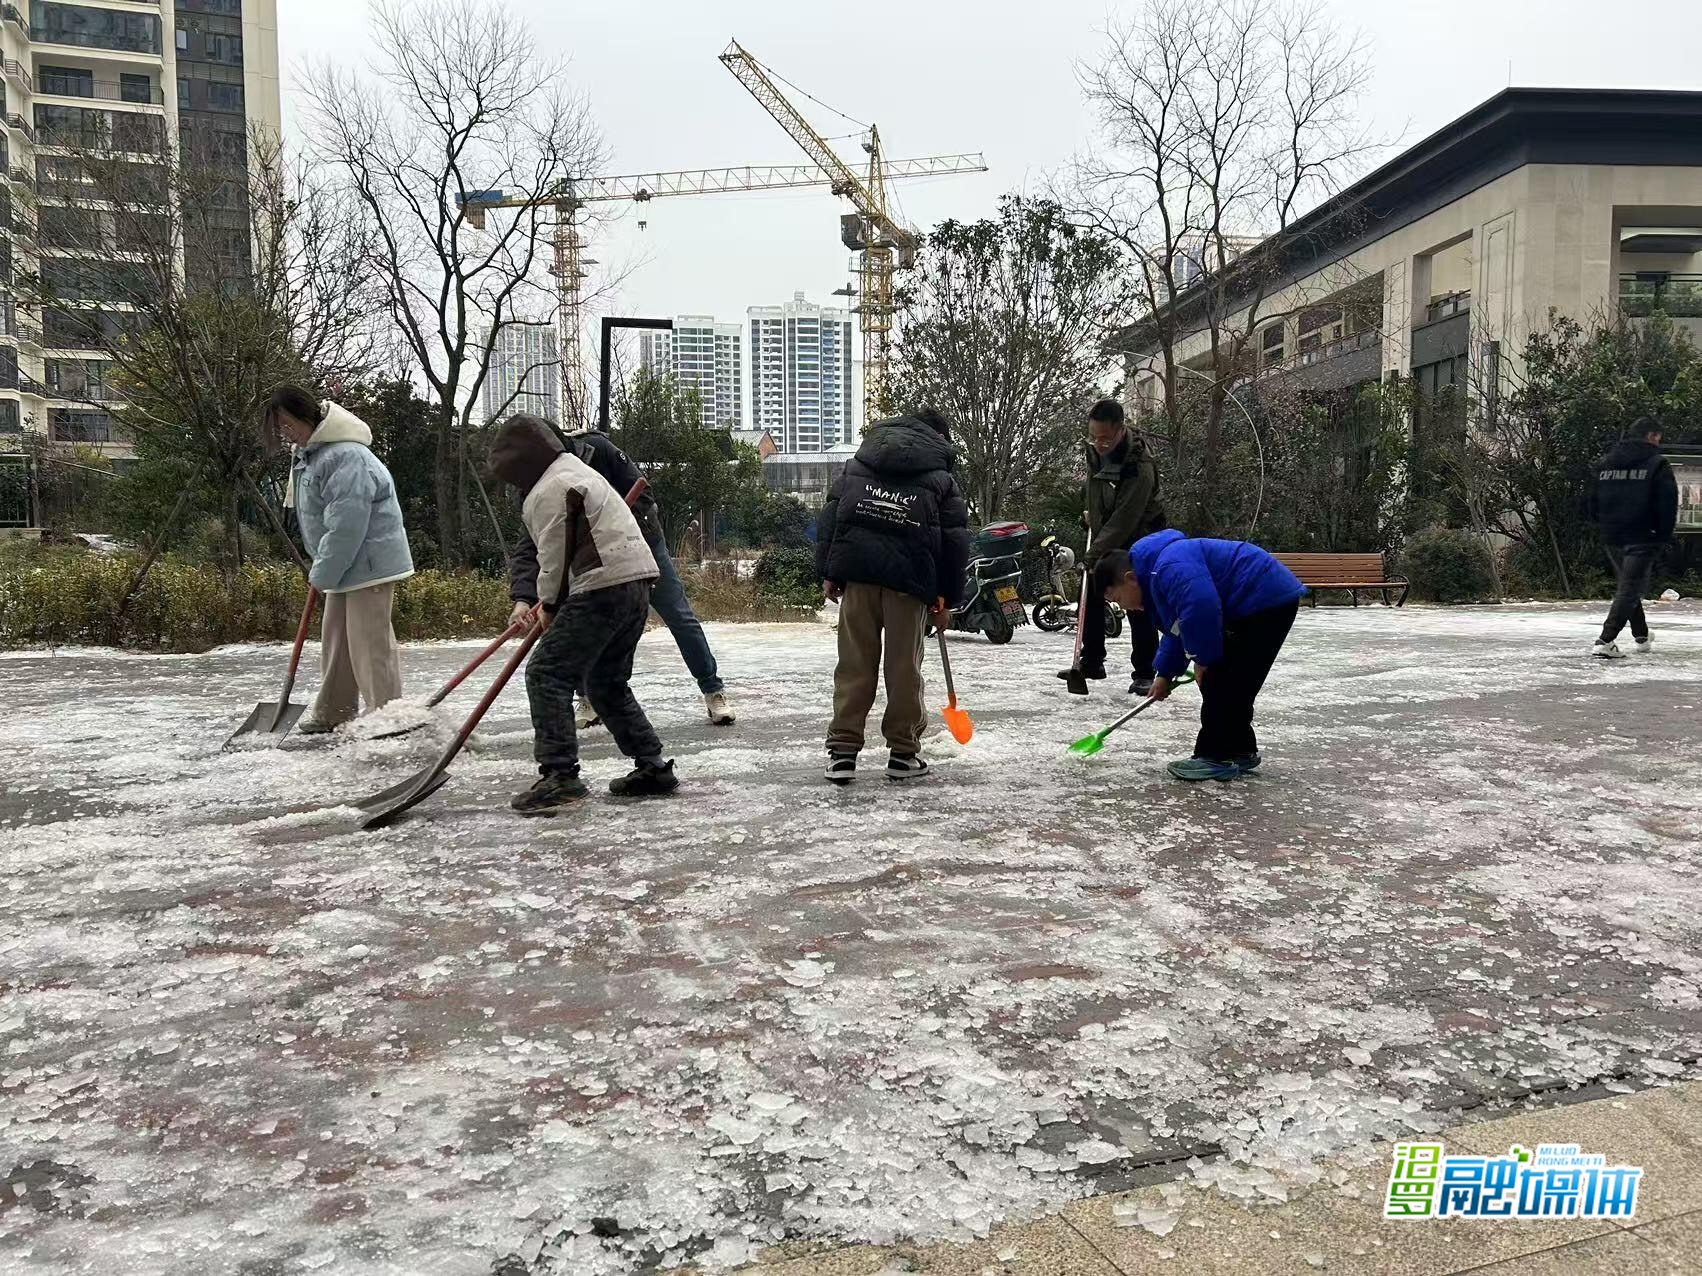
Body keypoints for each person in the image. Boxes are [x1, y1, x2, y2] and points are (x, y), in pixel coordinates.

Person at [487, 416, 677, 814]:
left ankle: (560, 776)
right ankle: (653, 766)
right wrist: (535, 600)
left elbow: (552, 557)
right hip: (636, 583)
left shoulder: (549, 488)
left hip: (601, 586)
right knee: (606, 681)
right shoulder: (575, 471)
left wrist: (549, 607)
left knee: (547, 673)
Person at [507, 418, 734, 727]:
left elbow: (643, 495)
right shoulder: (533, 485)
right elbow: (530, 545)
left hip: (639, 546)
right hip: (588, 562)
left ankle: (713, 690)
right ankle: (588, 699)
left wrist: (612, 526)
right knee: (579, 625)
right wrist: (523, 598)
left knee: (679, 616)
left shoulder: (595, 449)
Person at [817, 409, 971, 784]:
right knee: (903, 668)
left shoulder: (859, 464)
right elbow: (954, 541)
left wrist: (829, 571)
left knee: (854, 664)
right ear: (938, 438)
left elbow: (833, 517)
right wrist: (946, 596)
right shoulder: (942, 479)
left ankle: (842, 754)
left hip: (858, 575)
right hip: (910, 581)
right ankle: (903, 754)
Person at [1097, 529, 1305, 782]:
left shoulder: (1168, 567)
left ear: (1130, 578)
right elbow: (1178, 629)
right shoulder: (1157, 577)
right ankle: (1240, 750)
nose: (1124, 607)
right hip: (1255, 603)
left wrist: (1203, 658)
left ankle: (1214, 756)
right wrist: (1164, 673)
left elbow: (1201, 609)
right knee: (1233, 681)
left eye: (1118, 598)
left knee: (1222, 679)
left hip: (1262, 598)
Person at [273, 384, 413, 734]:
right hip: (343, 563)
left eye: (288, 424)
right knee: (338, 638)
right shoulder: (312, 455)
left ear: (309, 417)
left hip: (367, 563)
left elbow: (347, 523)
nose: (285, 433)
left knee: (369, 641)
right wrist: (326, 566)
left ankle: (387, 714)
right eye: (280, 427)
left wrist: (323, 569)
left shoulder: (345, 455)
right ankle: (335, 709)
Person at [1057, 398, 1166, 695]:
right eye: (1093, 436)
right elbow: (1094, 489)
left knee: (1135, 598)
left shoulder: (1138, 464)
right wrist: (1092, 517)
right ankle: (1092, 661)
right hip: (1108, 528)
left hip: (1141, 534)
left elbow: (1126, 518)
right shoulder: (1095, 452)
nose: (1098, 443)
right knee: (1092, 587)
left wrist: (1094, 552)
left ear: (1120, 431)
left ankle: (1145, 670)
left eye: (1104, 438)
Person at [1587, 416, 1677, 658]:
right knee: (1630, 589)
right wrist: (1662, 535)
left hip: (1613, 534)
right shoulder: (1657, 464)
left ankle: (1642, 636)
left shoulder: (1608, 463)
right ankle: (1605, 641)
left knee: (1629, 586)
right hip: (1643, 535)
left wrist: (1601, 525)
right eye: (1658, 437)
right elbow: (1668, 504)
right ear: (1652, 436)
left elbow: (1591, 499)